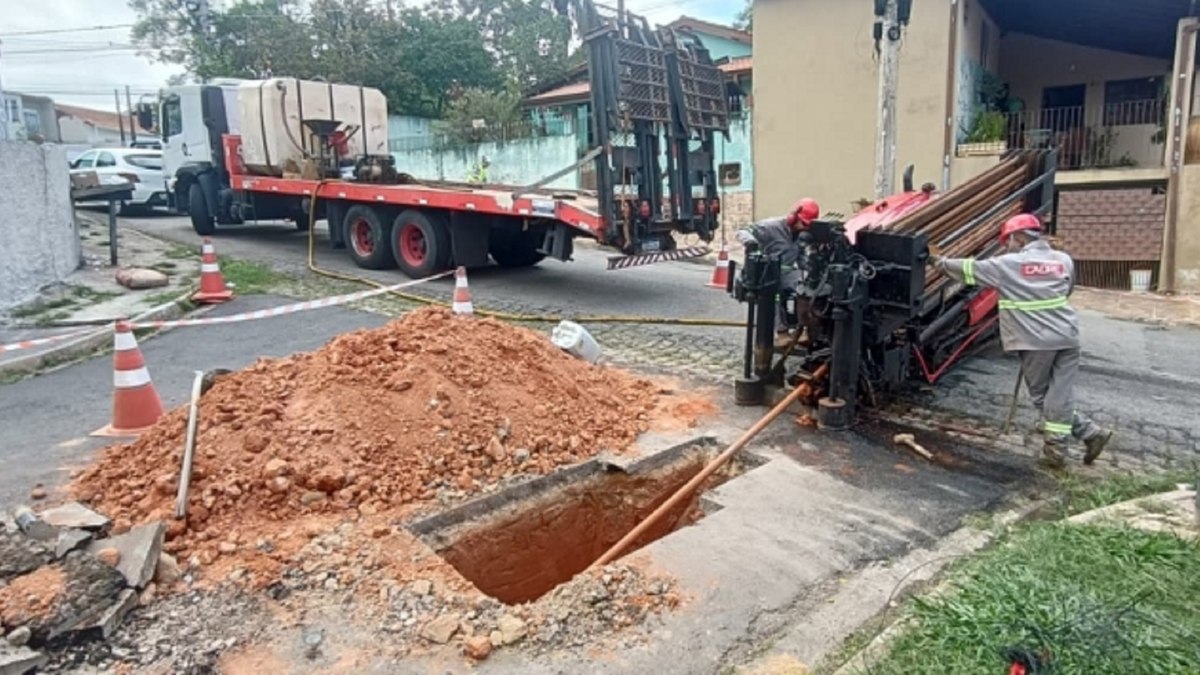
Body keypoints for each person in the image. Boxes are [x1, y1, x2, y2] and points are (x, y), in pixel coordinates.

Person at [931, 213, 1113, 469]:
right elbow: (1066, 290)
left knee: (1042, 397)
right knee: (1060, 392)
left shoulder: (1009, 264)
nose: (1007, 246)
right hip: (1067, 335)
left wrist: (937, 262)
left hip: (1036, 340)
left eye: (1008, 241)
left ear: (1018, 237)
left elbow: (968, 270)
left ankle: (1062, 448)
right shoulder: (1063, 260)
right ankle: (1088, 435)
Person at [735, 198, 820, 348]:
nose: (804, 228)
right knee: (773, 296)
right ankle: (782, 333)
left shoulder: (801, 235)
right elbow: (743, 230)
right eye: (803, 223)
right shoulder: (771, 227)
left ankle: (805, 329)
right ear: (794, 216)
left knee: (808, 287)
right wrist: (750, 242)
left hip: (787, 272)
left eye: (808, 226)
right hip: (767, 273)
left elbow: (800, 256)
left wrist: (812, 270)